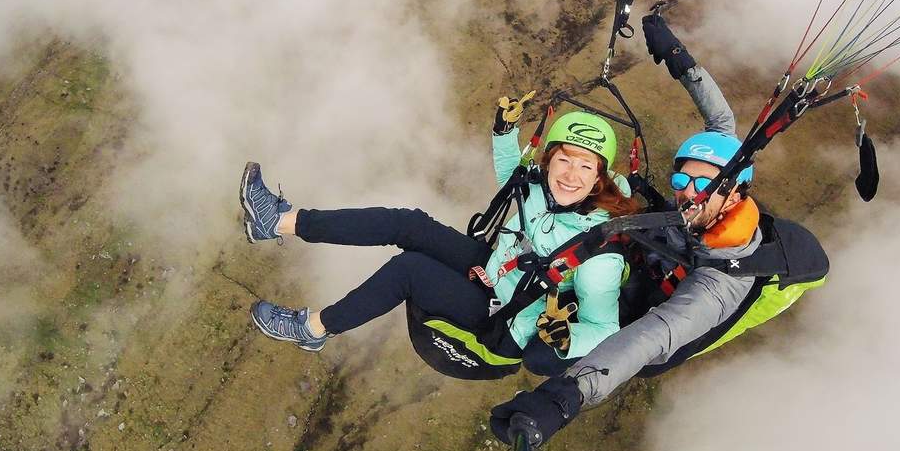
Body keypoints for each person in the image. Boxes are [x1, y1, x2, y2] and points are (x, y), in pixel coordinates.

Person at [488, 14, 828, 442]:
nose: (689, 192)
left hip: (656, 317)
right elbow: (720, 121)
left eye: (704, 184)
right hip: (654, 261)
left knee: (540, 357)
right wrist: (679, 59)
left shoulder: (720, 284)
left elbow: (653, 337)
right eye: (683, 179)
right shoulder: (718, 182)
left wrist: (564, 396)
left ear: (736, 193)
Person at [243, 101, 642, 378]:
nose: (571, 175)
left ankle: (312, 329)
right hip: (492, 273)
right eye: (564, 161)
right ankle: (277, 221)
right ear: (549, 160)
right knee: (409, 224)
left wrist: (566, 338)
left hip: (504, 324)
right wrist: (505, 132)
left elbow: (604, 326)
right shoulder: (546, 190)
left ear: (599, 177)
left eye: (585, 166)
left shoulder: (598, 255)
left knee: (410, 270)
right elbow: (514, 183)